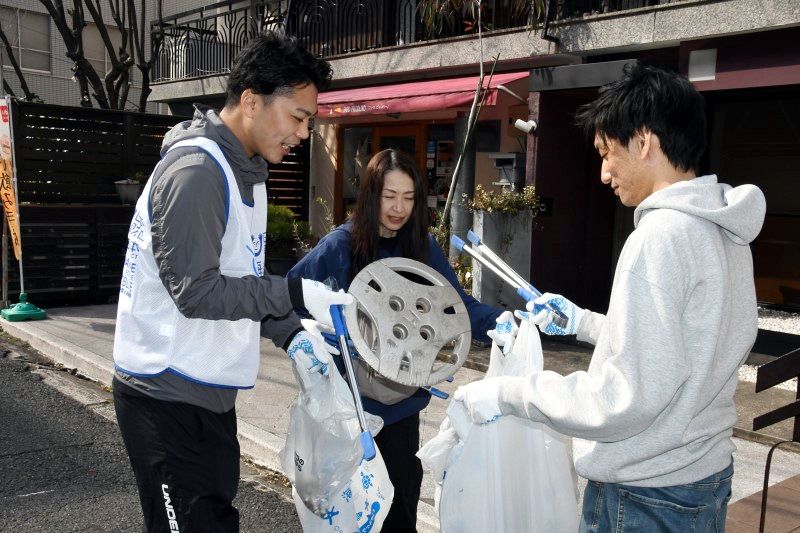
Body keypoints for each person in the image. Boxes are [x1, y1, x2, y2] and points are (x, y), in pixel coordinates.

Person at [454, 64, 766, 531]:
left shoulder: (659, 237)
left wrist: (509, 392)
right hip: (702, 477)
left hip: (645, 495)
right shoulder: (726, 230)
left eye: (606, 153)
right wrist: (581, 322)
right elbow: (684, 344)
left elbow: (624, 398)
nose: (603, 174)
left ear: (643, 141)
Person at [112, 32, 352, 533]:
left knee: (215, 519)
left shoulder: (248, 172)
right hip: (165, 395)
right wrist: (292, 292)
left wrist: (293, 334)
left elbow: (241, 277)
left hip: (205, 392)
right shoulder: (198, 172)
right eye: (299, 118)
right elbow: (195, 291)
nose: (304, 134)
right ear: (250, 100)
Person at [289, 148, 508, 531]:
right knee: (350, 516)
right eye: (389, 197)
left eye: (408, 198)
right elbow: (289, 295)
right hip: (349, 411)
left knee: (399, 513)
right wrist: (314, 337)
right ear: (372, 195)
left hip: (401, 408)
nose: (398, 208)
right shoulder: (340, 245)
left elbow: (458, 309)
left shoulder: (422, 247)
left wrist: (504, 322)